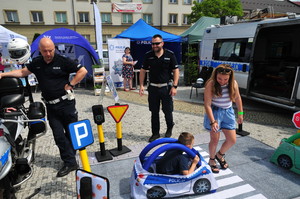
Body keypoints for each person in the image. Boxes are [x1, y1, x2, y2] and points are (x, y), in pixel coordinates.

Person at [0, 37, 88, 177]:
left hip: (66, 104)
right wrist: (3, 74)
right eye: (45, 51)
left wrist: (71, 84)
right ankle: (70, 162)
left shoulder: (63, 60)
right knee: (59, 136)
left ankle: (70, 159)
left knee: (71, 133)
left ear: (54, 48)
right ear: (40, 50)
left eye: (50, 50)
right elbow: (23, 72)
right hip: (51, 106)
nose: (48, 54)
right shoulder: (37, 63)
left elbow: (82, 71)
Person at [203, 64, 243, 173]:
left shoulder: (233, 83)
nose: (222, 81)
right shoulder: (211, 84)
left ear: (230, 77)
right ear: (215, 75)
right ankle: (211, 159)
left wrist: (240, 113)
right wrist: (213, 121)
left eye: (225, 79)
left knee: (232, 140)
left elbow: (238, 98)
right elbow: (207, 104)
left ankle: (219, 155)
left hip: (228, 112)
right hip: (215, 112)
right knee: (215, 139)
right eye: (219, 78)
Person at [139, 34, 179, 142]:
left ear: (162, 43)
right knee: (154, 112)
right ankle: (155, 134)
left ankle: (169, 128)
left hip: (166, 88)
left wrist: (174, 86)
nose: (155, 46)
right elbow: (143, 70)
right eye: (153, 44)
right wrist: (141, 85)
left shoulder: (170, 55)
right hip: (153, 88)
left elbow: (176, 71)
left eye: (157, 43)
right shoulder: (148, 55)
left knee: (167, 111)